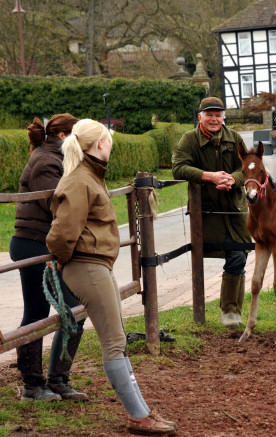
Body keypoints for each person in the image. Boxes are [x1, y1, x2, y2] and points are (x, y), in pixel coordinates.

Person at [46, 119, 176, 435]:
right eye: (109, 138)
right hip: (87, 267)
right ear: (100, 143)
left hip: (96, 266)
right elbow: (62, 233)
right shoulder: (80, 180)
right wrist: (62, 261)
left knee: (117, 340)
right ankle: (139, 416)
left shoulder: (90, 175)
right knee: (115, 343)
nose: (111, 143)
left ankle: (141, 411)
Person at [9, 113, 89, 402]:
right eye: (78, 135)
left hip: (42, 242)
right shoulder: (46, 161)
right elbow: (58, 204)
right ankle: (33, 385)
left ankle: (57, 380)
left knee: (74, 310)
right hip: (34, 244)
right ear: (64, 136)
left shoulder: (56, 158)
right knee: (38, 313)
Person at [172, 96, 251, 329]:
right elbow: (178, 168)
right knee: (229, 255)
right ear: (200, 117)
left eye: (218, 115)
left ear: (223, 117)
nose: (214, 119)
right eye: (209, 114)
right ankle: (228, 312)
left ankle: (231, 312)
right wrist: (210, 176)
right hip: (206, 213)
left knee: (239, 254)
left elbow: (245, 167)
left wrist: (232, 180)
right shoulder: (189, 139)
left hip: (235, 211)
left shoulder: (234, 138)